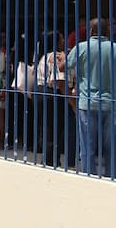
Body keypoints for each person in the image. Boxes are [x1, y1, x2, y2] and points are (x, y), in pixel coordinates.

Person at [66, 18, 116, 178]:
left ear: (90, 31)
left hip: (87, 103)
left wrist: (57, 57)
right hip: (112, 104)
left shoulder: (81, 47)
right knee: (112, 147)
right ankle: (111, 177)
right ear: (108, 31)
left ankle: (90, 178)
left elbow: (64, 66)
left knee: (87, 146)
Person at [34, 31, 75, 169]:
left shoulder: (43, 56)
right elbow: (60, 82)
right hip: (52, 94)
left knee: (46, 127)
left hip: (41, 92)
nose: (64, 41)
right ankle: (52, 161)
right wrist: (72, 102)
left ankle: (48, 159)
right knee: (55, 128)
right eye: (62, 39)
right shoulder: (57, 57)